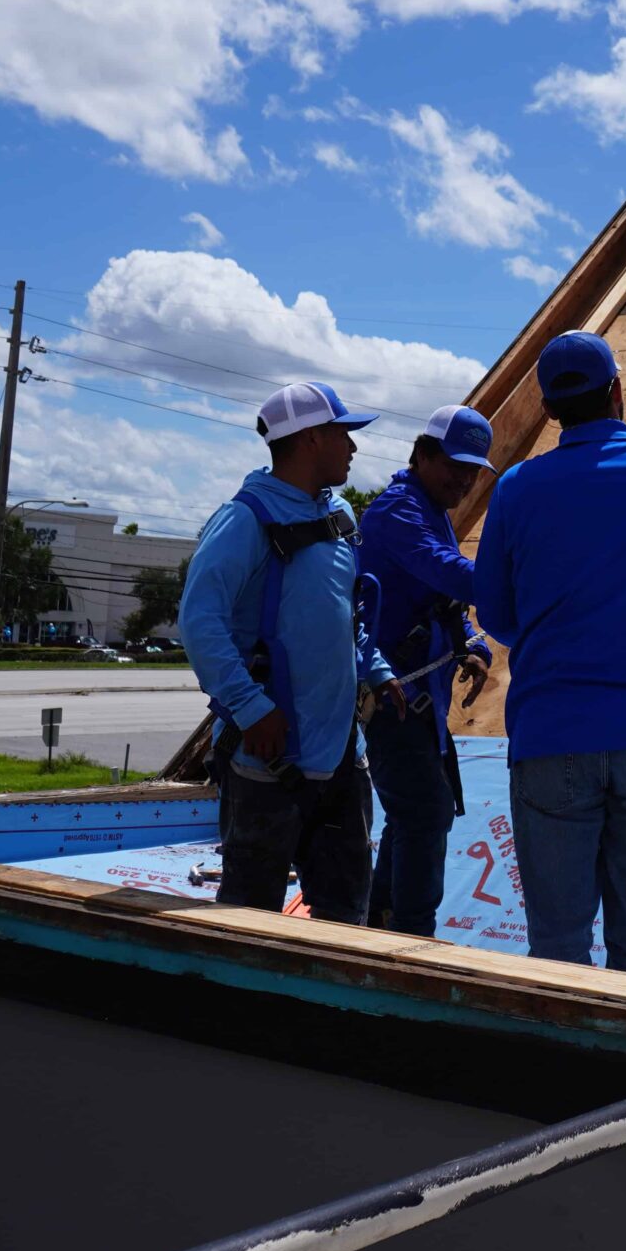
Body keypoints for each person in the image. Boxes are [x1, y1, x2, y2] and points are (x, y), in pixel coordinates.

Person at [474, 331, 626, 977]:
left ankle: (564, 1075)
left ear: (552, 408)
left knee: (557, 947)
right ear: (616, 389)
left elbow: (497, 617)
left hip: (551, 735)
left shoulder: (517, 488)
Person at [180, 381, 396, 920]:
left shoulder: (338, 515)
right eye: (343, 434)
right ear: (310, 440)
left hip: (343, 757)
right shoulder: (245, 520)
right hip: (267, 763)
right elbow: (199, 622)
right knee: (249, 919)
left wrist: (376, 669)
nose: (353, 447)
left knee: (347, 918)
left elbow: (347, 618)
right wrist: (251, 707)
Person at [356, 404, 497, 937]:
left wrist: (474, 642)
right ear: (421, 455)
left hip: (419, 697)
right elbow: (448, 572)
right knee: (426, 811)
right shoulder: (397, 511)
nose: (463, 479)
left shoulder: (430, 510)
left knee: (415, 812)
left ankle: (382, 919)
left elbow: (442, 598)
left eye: (472, 470)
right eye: (453, 465)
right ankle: (412, 934)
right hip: (391, 693)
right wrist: (527, 579)